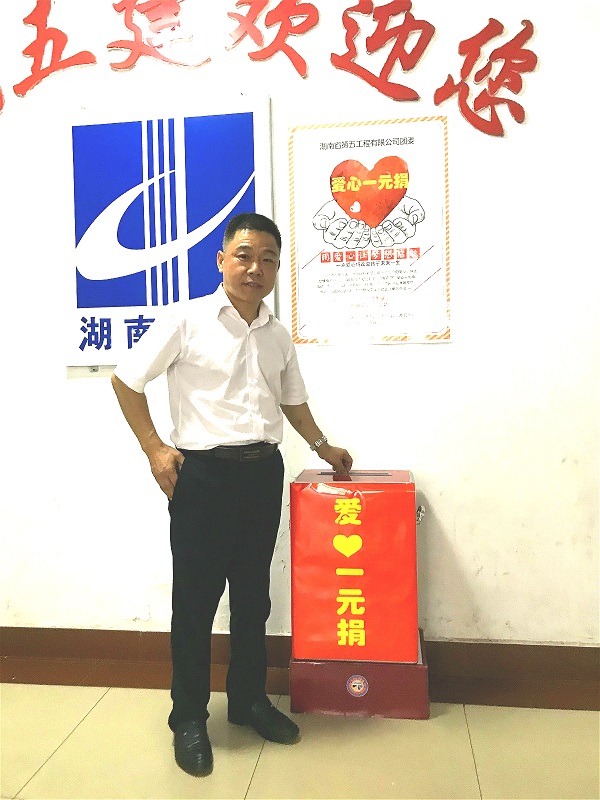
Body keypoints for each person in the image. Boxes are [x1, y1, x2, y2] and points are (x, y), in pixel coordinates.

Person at [111, 212, 353, 777]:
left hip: (261, 475)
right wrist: (154, 449)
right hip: (203, 479)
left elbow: (291, 400)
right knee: (195, 605)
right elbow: (126, 379)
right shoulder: (186, 320)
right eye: (244, 256)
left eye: (268, 259)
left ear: (276, 269)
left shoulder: (277, 333)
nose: (255, 268)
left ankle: (247, 702)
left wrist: (323, 447)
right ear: (221, 260)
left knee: (252, 600)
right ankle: (188, 718)